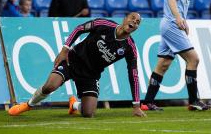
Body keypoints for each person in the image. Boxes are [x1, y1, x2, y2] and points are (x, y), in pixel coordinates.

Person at [8, 12, 146, 118]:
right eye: (132, 18)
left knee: (88, 113)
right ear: (125, 18)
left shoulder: (130, 48)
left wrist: (136, 105)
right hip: (73, 60)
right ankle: (28, 105)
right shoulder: (104, 24)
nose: (134, 21)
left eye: (138, 22)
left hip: (91, 75)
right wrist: (65, 49)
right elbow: (79, 28)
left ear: (137, 28)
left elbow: (133, 75)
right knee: (50, 86)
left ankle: (74, 105)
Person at [141, 0, 211, 111]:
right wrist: (179, 18)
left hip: (168, 23)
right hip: (172, 23)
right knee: (194, 59)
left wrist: (182, 19)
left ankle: (146, 102)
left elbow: (175, 2)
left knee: (163, 64)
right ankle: (194, 100)